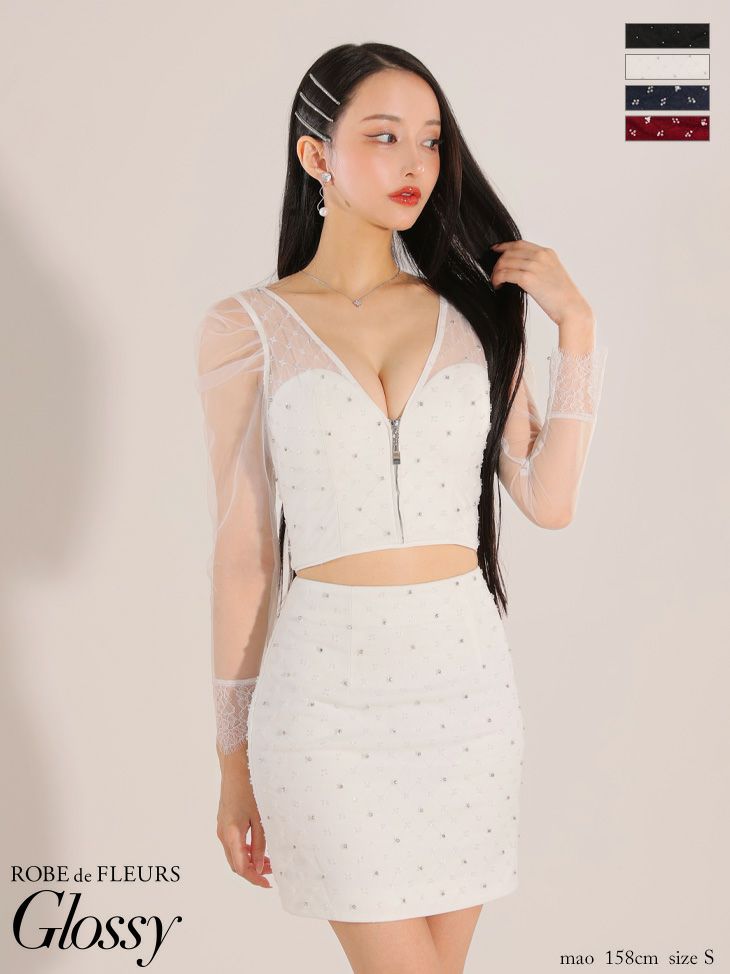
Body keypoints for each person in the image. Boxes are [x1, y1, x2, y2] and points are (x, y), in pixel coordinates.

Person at [195, 42, 607, 974]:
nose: (415, 161)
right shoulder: (246, 326)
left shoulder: (475, 313)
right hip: (323, 706)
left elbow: (549, 500)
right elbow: (242, 554)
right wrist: (231, 764)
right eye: (384, 137)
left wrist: (577, 329)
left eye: (429, 139)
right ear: (316, 156)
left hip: (466, 699)